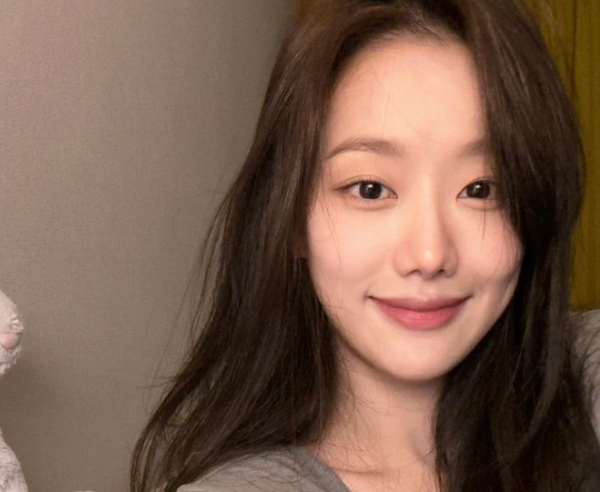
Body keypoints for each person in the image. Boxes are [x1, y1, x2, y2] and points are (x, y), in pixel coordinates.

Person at [130, 0, 600, 491]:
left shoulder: (584, 383)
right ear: (291, 218)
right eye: (370, 189)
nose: (429, 255)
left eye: (481, 189)